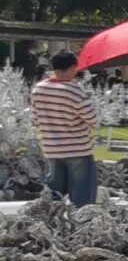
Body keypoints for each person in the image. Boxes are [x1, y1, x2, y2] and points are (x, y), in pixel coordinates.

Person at [29, 52, 99, 207]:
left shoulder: (38, 90)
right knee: (82, 196)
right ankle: (80, 221)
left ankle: (52, 219)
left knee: (54, 194)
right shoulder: (73, 90)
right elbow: (93, 118)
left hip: (51, 148)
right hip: (78, 149)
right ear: (72, 67)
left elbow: (35, 118)